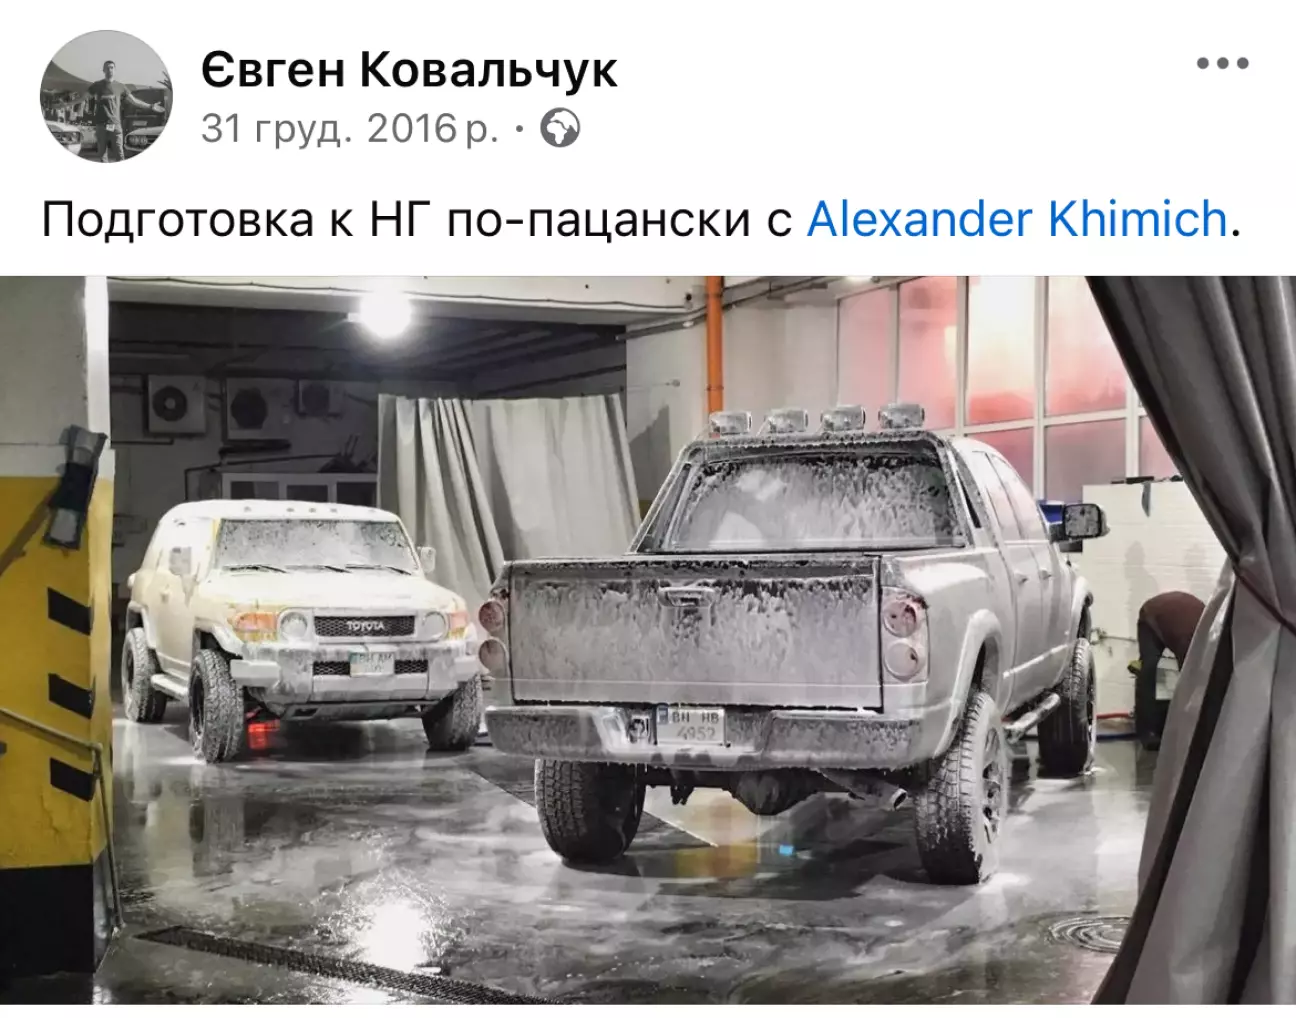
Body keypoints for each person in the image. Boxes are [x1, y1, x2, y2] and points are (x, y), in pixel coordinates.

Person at [1131, 591, 1205, 751]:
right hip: (1151, 616)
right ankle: (1146, 732)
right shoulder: (1189, 643)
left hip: (1176, 616)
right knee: (1149, 669)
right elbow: (1187, 684)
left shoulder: (1211, 639)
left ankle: (1166, 725)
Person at [65, 60, 164, 162]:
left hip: (115, 125)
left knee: (119, 154)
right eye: (107, 68)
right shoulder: (96, 86)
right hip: (101, 125)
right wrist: (66, 104)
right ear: (103, 70)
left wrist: (150, 106)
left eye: (112, 67)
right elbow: (82, 98)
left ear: (115, 70)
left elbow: (134, 101)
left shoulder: (121, 86)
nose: (110, 70)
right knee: (102, 155)